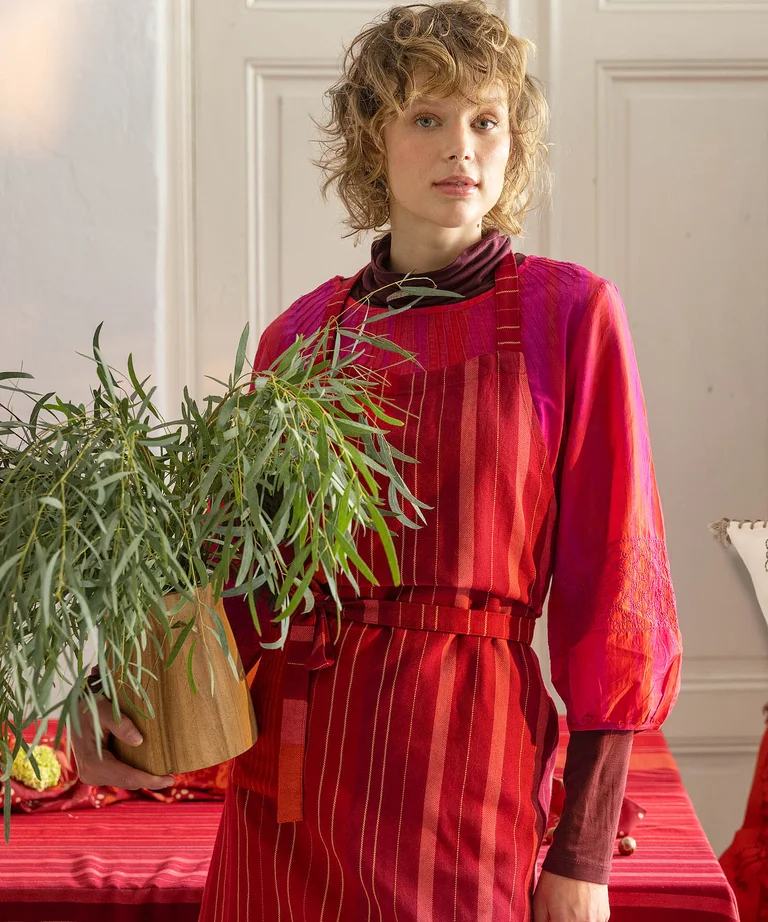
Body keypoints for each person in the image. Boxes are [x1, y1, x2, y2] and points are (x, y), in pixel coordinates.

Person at [73, 3, 682, 920]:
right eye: (427, 118)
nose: (461, 147)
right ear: (373, 139)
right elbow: (235, 574)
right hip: (291, 776)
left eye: (486, 121)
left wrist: (584, 851)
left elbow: (618, 594)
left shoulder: (571, 316)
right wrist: (110, 695)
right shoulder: (302, 336)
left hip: (466, 767)